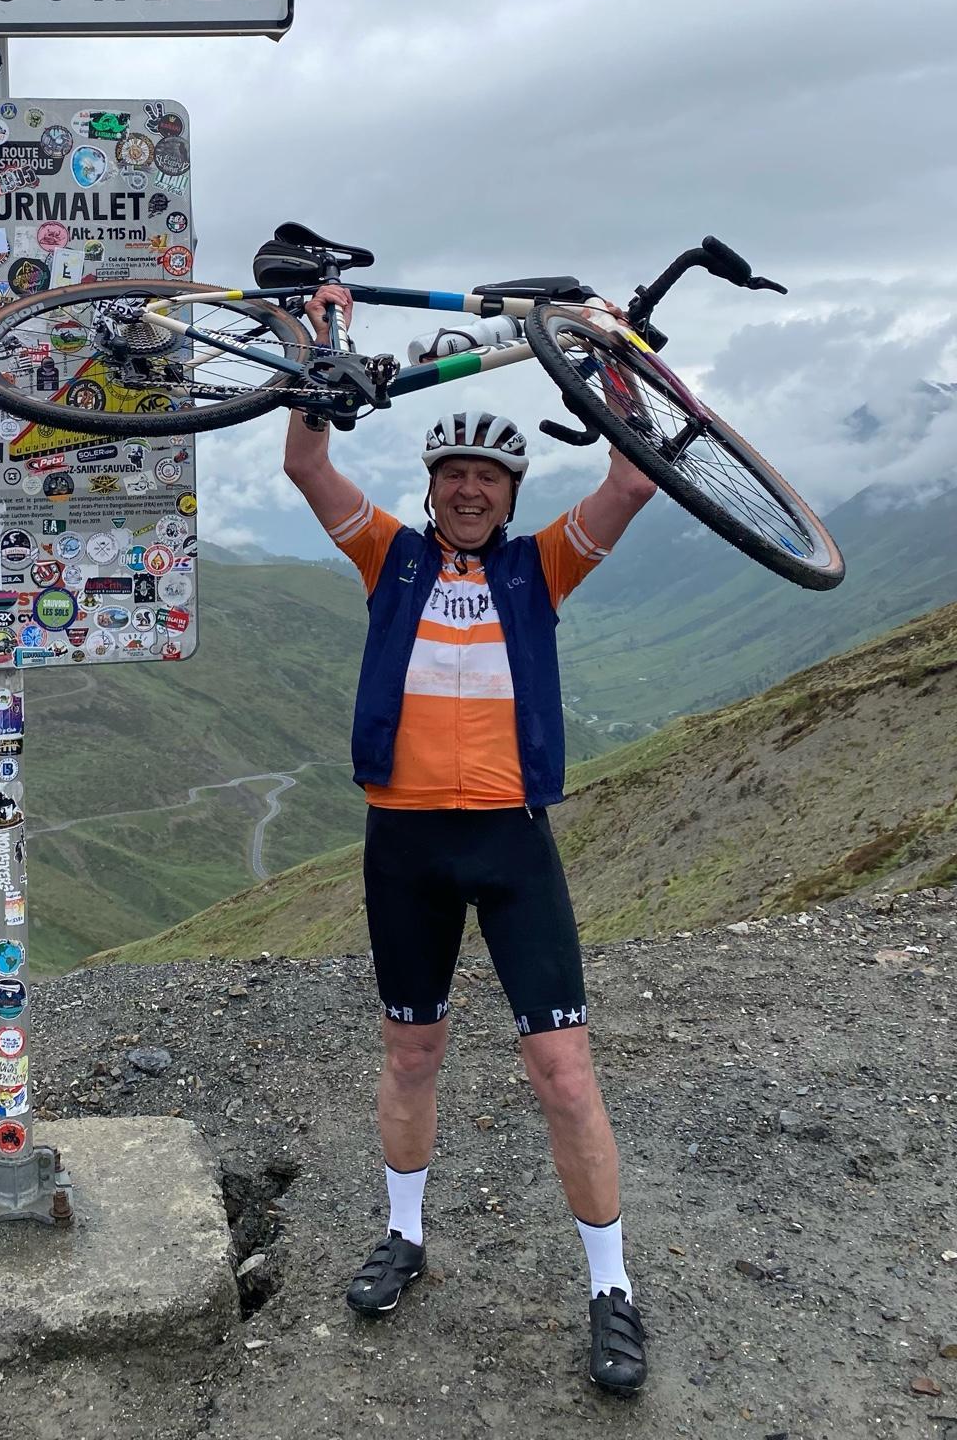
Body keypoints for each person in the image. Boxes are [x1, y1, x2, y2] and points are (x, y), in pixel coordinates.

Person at [283, 284, 657, 1397]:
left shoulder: (542, 567)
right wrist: (319, 342)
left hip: (510, 843)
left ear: (511, 492)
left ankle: (611, 1287)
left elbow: (635, 478)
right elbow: (306, 463)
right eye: (453, 473)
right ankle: (403, 1234)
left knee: (565, 1073)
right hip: (402, 843)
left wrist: (609, 354)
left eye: (488, 476)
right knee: (411, 1052)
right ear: (433, 485)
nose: (469, 488)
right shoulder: (387, 555)